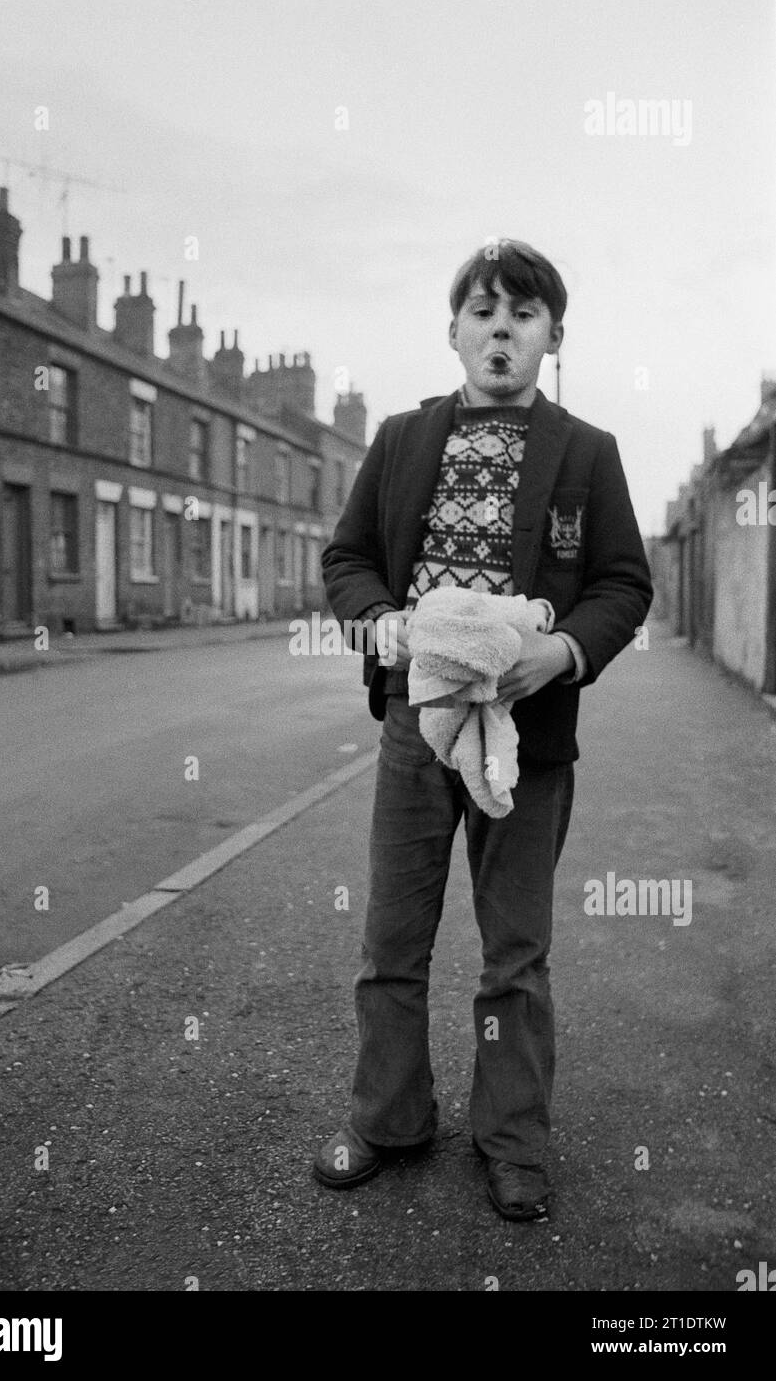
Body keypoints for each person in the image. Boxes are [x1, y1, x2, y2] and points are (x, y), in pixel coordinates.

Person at [313, 239, 653, 1221]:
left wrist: (565, 653)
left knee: (515, 953)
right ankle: (388, 1119)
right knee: (391, 939)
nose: (501, 328)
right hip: (416, 726)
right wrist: (375, 616)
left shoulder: (587, 453)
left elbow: (623, 582)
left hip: (528, 730)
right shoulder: (402, 437)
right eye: (482, 311)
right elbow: (347, 561)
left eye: (523, 313)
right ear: (454, 328)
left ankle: (512, 1143)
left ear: (552, 336)